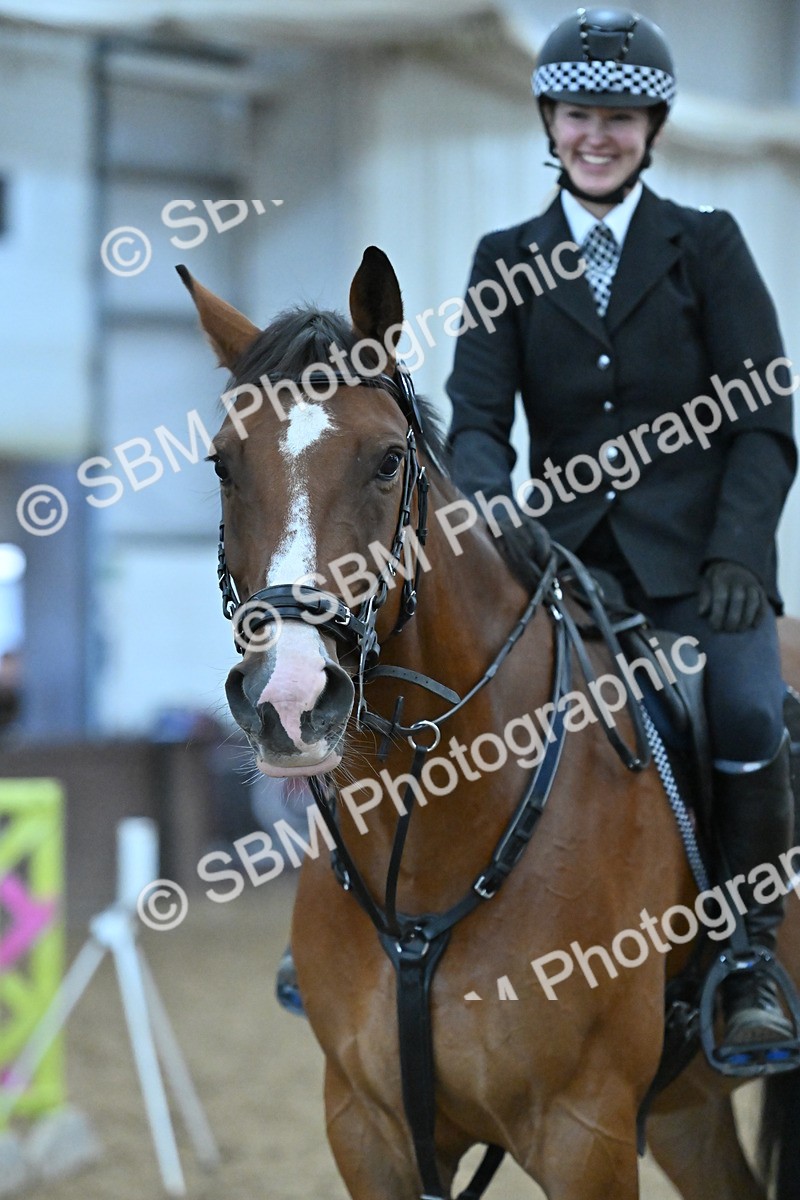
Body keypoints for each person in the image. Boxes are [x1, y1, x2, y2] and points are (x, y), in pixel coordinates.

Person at [446, 7, 798, 1047]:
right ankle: (375, 921)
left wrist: (738, 552)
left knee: (743, 712)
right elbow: (473, 421)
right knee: (442, 684)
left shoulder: (707, 246)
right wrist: (495, 514)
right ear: (547, 121)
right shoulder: (502, 257)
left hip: (702, 571)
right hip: (562, 564)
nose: (594, 135)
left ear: (651, 125)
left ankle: (745, 958)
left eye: (616, 117)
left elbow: (764, 423)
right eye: (574, 114)